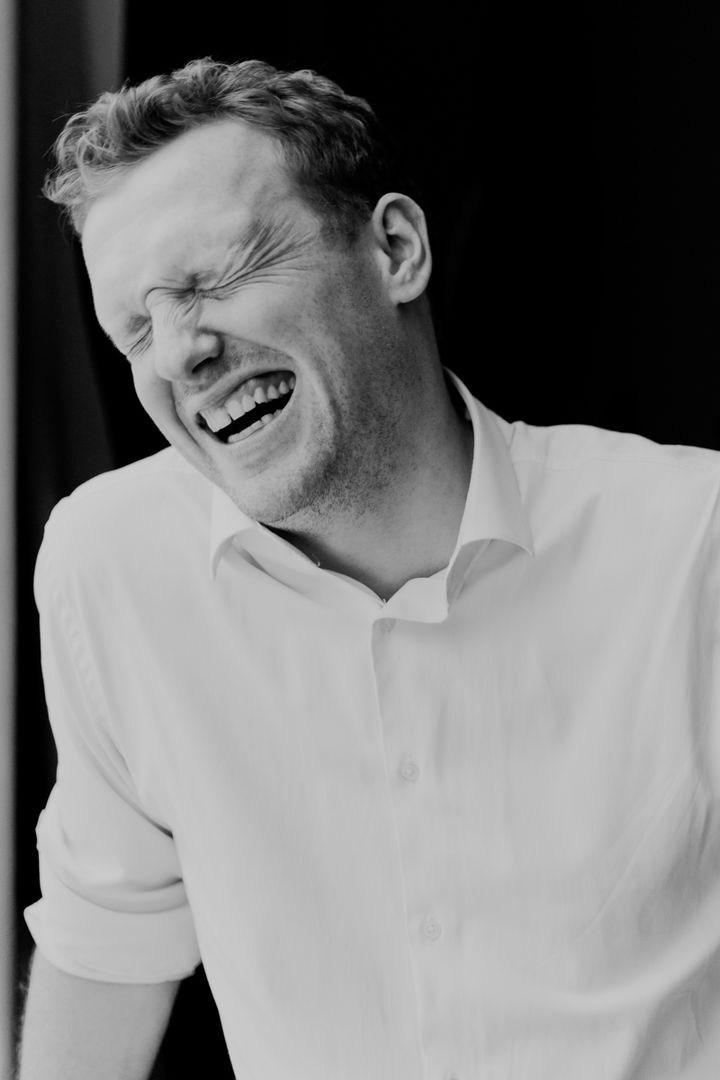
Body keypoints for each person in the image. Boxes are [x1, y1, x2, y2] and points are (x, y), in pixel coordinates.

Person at [17, 56, 720, 1080]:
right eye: (135, 328)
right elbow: (105, 951)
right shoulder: (110, 565)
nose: (176, 356)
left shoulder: (692, 539)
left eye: (212, 278)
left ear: (395, 249)